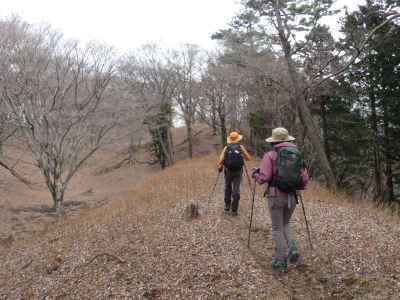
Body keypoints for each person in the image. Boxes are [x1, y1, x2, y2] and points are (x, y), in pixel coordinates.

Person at [252, 127, 309, 272]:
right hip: (292, 196)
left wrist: (256, 175)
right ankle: (292, 247)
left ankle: (280, 261)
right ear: (288, 140)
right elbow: (304, 179)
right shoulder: (297, 155)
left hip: (275, 196)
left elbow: (264, 178)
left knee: (277, 228)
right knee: (286, 223)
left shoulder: (270, 155)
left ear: (274, 141)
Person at [217, 131, 252, 216]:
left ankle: (227, 206)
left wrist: (220, 167)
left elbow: (221, 159)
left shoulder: (226, 148)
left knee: (227, 187)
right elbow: (248, 158)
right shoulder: (240, 147)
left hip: (228, 171)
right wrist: (241, 156)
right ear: (238, 139)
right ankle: (234, 210)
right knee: (236, 189)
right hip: (238, 171)